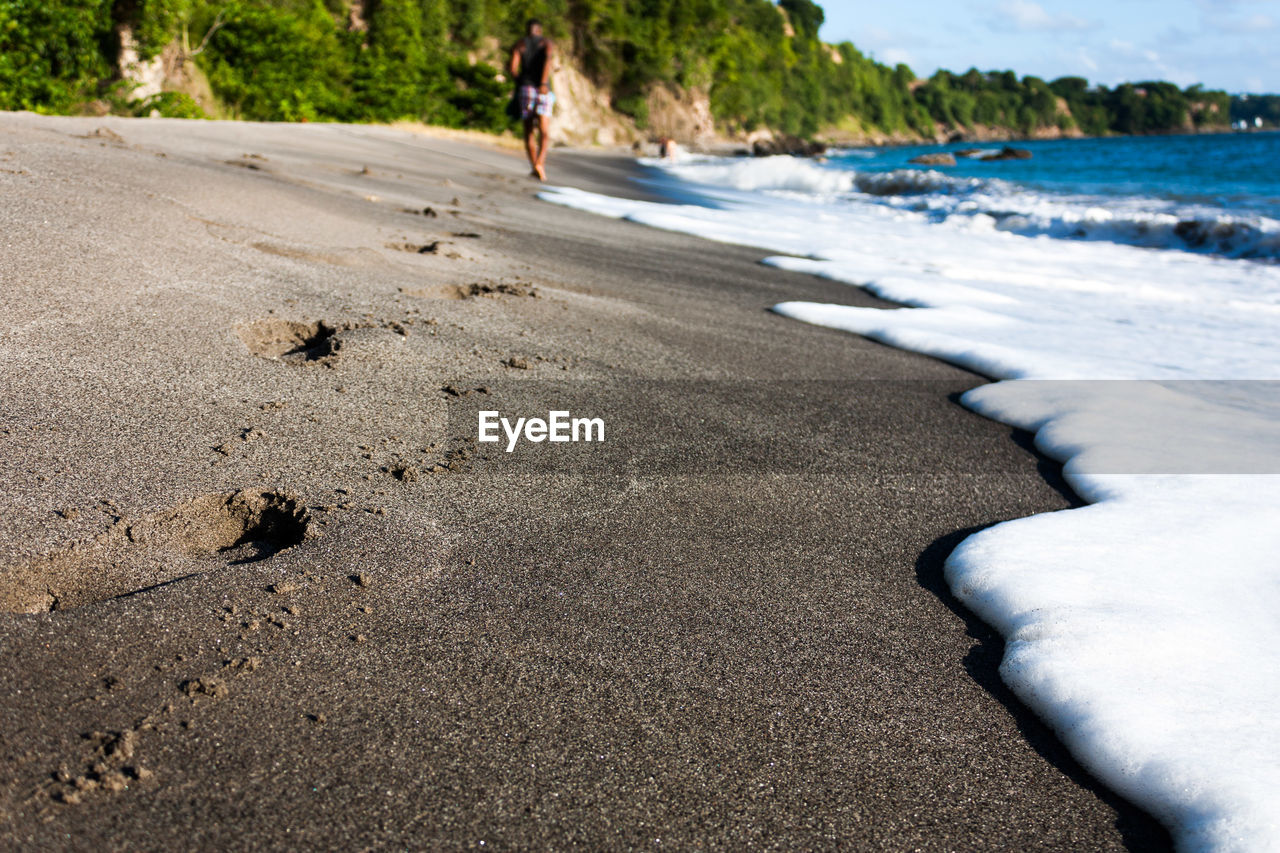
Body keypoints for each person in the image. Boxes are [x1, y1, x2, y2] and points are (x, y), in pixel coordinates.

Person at [509, 19, 556, 181]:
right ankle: (540, 164)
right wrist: (543, 83)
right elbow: (547, 61)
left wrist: (520, 81)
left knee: (528, 129)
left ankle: (534, 164)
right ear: (540, 30)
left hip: (526, 88)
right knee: (543, 131)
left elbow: (512, 68)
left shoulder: (520, 44)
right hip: (542, 89)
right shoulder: (546, 43)